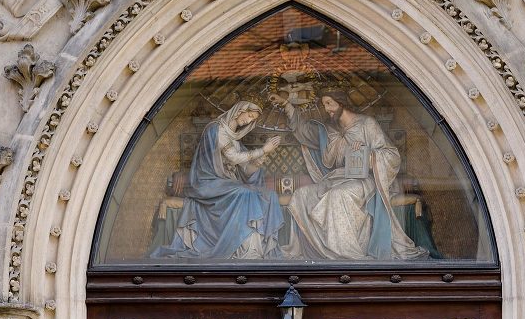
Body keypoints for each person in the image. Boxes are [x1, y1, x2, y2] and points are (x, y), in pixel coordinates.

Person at [270, 89, 427, 262]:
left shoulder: (367, 124)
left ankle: (345, 254)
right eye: (324, 104)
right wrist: (286, 104)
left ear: (341, 102)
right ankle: (315, 253)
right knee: (301, 195)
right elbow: (303, 131)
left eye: (329, 103)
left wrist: (368, 155)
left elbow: (391, 155)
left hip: (365, 180)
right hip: (336, 178)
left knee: (338, 195)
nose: (326, 108)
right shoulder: (328, 130)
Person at [161, 101, 285, 260]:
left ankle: (259, 248)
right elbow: (234, 157)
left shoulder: (235, 140)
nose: (248, 120)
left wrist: (265, 155)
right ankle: (243, 246)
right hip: (207, 182)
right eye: (249, 115)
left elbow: (247, 170)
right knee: (245, 193)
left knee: (269, 195)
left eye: (252, 119)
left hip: (227, 184)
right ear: (240, 110)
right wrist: (262, 149)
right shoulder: (216, 129)